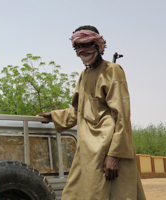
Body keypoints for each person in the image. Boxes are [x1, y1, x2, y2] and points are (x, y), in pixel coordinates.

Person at [38, 25, 146, 199]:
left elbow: (122, 116)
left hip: (108, 149)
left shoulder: (112, 70)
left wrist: (114, 155)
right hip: (87, 150)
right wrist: (54, 116)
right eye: (78, 47)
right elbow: (78, 111)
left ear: (98, 45)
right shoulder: (84, 75)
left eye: (86, 45)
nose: (82, 51)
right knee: (75, 194)